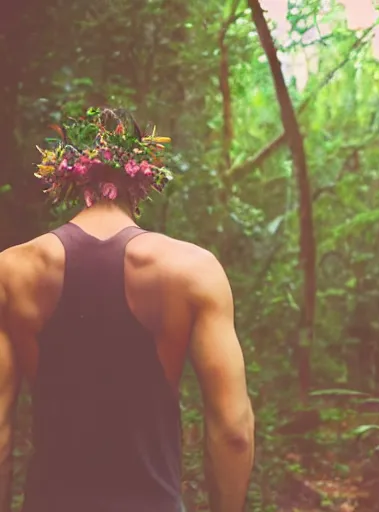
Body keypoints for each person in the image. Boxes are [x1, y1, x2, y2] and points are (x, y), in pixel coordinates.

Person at [0, 108, 254, 512]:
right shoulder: (193, 269)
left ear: (66, 177)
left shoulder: (11, 272)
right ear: (142, 179)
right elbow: (233, 430)